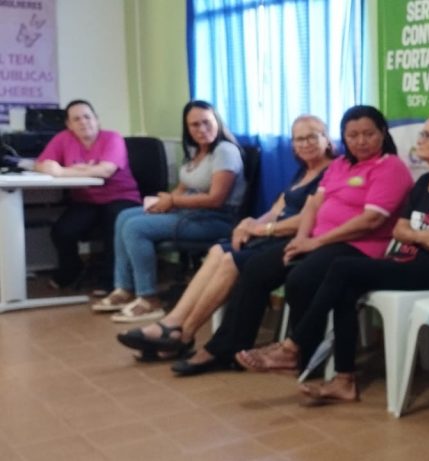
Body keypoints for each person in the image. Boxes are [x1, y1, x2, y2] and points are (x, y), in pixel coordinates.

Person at [234, 113, 429, 404]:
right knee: (346, 287)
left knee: (342, 268)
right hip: (403, 260)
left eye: (428, 136)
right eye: (422, 134)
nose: (420, 141)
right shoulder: (425, 181)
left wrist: (414, 235)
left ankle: (293, 347)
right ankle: (344, 380)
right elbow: (401, 230)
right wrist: (419, 235)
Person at [171, 105, 413, 377]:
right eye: (352, 135)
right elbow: (313, 205)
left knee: (300, 279)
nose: (360, 141)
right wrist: (299, 241)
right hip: (319, 242)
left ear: (382, 133)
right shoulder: (341, 165)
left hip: (358, 246)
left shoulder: (390, 167)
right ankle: (225, 349)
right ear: (343, 137)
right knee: (255, 268)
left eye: (368, 134)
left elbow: (370, 221)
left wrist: (315, 243)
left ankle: (300, 355)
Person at [113, 114, 334, 359]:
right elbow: (275, 210)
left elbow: (310, 219)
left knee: (229, 259)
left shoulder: (331, 173)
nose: (305, 144)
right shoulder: (303, 171)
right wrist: (249, 224)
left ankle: (181, 333)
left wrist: (262, 230)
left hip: (288, 239)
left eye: (312, 137)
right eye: (299, 139)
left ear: (327, 139)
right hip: (270, 233)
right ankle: (174, 323)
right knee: (218, 251)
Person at [91, 100, 247, 323]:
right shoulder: (197, 152)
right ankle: (124, 289)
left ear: (217, 122)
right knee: (125, 216)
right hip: (190, 213)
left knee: (136, 227)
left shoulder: (225, 151)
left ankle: (148, 299)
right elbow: (183, 187)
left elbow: (215, 199)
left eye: (206, 122)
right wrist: (163, 201)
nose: (201, 129)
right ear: (187, 129)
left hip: (216, 219)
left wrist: (173, 201)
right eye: (194, 125)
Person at [34, 100, 141, 292]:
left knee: (114, 228)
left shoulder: (112, 138)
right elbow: (41, 164)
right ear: (69, 125)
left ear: (97, 120)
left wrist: (63, 172)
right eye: (76, 119)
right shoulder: (63, 139)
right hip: (87, 200)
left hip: (121, 196)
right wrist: (52, 167)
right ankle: (71, 269)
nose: (83, 122)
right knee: (62, 231)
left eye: (87, 117)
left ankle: (111, 282)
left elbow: (106, 171)